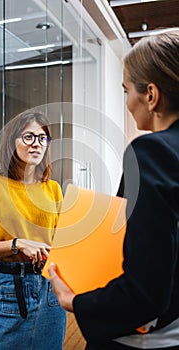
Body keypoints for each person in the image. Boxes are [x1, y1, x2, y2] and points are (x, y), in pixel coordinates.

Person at [48, 29, 179, 350]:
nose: (129, 103)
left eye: (126, 92)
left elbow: (145, 292)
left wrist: (75, 301)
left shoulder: (152, 152)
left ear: (150, 95)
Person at [0, 109, 66, 350]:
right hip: (11, 288)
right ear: (12, 142)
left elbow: (62, 243)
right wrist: (17, 244)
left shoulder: (53, 189)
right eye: (28, 137)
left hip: (51, 290)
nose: (36, 144)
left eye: (42, 138)